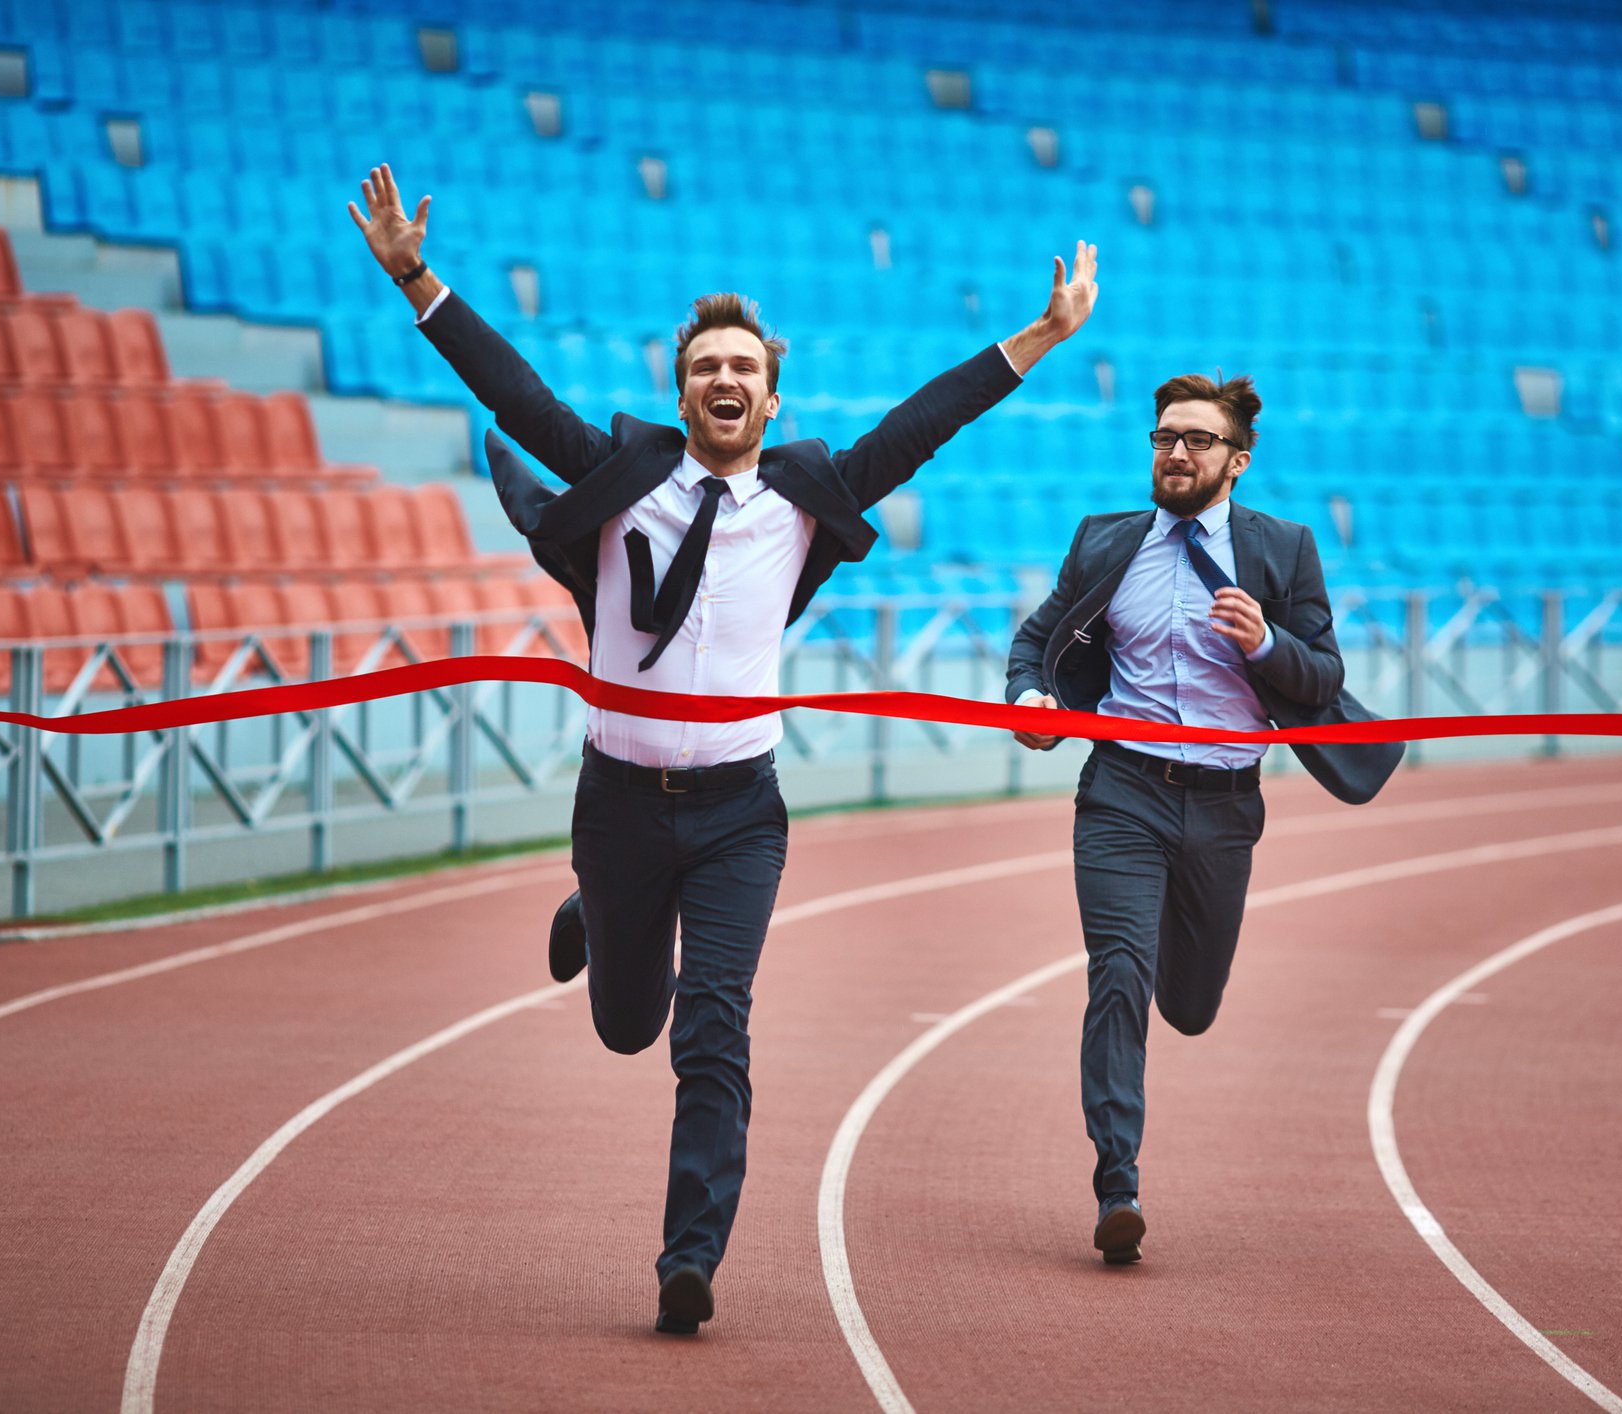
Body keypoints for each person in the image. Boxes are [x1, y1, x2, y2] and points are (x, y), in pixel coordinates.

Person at [349, 163, 1099, 1332]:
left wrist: (1042, 336)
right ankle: (598, 907)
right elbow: (518, 397)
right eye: (706, 368)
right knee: (625, 1025)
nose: (725, 381)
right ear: (682, 390)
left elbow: (925, 424)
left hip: (739, 812)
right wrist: (418, 281)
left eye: (744, 367)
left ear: (772, 393)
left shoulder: (806, 497)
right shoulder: (625, 478)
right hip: (619, 804)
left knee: (712, 1026)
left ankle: (688, 1257)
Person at [1006, 372, 1400, 1265]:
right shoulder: (1104, 541)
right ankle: (1117, 1184)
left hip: (1224, 805)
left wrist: (1265, 642)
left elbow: (1322, 677)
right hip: (1122, 792)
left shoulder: (1283, 549)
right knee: (1117, 974)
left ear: (1237, 461)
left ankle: (1171, 989)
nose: (1175, 453)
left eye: (1196, 441)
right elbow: (1036, 640)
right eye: (1163, 438)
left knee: (1187, 1007)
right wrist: (1029, 696)